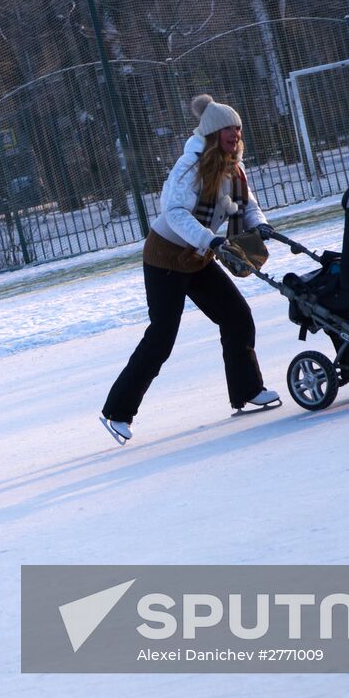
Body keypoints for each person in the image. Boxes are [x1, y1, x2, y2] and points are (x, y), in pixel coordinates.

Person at [100, 94, 281, 445]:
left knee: (236, 316)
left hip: (198, 256)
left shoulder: (233, 167)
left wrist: (260, 225)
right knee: (162, 337)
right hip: (166, 257)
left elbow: (247, 206)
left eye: (239, 127)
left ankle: (248, 390)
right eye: (229, 128)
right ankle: (116, 412)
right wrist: (210, 240)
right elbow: (175, 214)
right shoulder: (190, 168)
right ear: (213, 133)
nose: (236, 133)